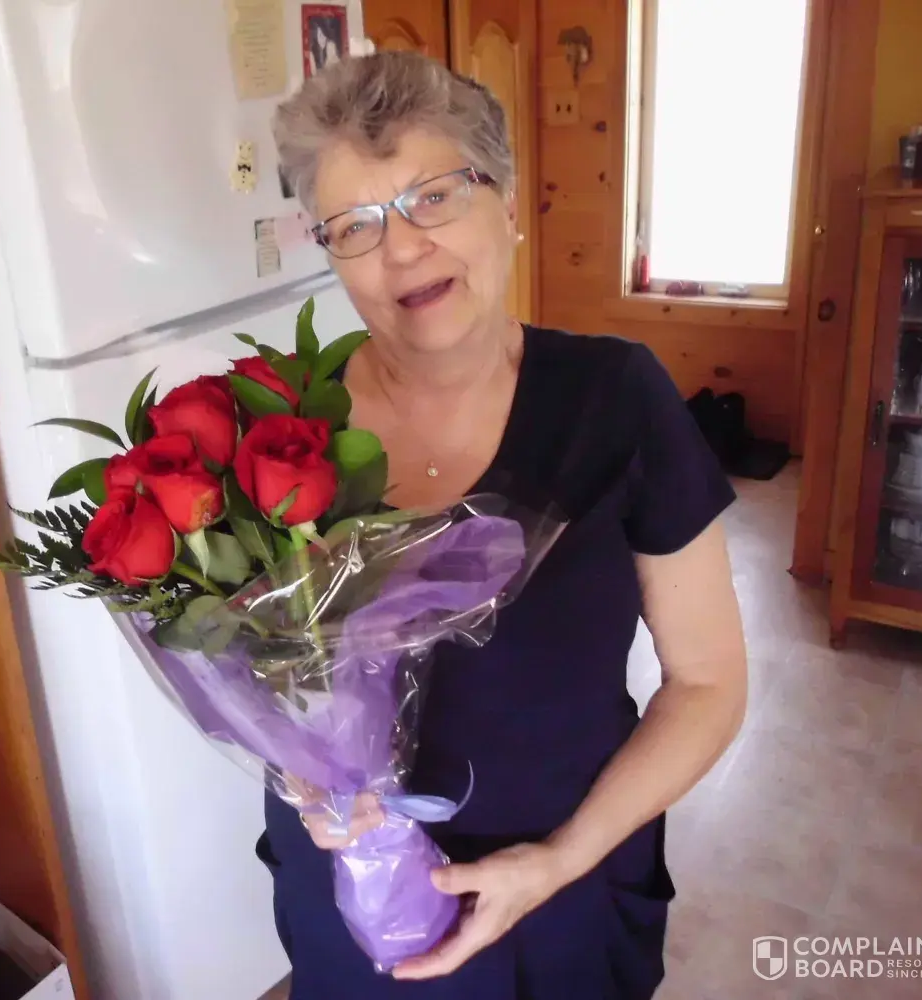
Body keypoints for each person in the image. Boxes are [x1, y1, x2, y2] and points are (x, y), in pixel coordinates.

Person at [263, 50, 748, 998]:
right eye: (354, 225)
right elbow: (254, 666)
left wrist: (560, 860)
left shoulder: (616, 397)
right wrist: (301, 779)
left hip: (558, 896)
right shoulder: (283, 426)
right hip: (352, 898)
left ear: (511, 203)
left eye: (434, 196)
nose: (402, 250)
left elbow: (709, 683)